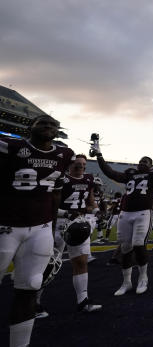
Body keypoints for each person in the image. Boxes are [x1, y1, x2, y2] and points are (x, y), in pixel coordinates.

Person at [0, 115, 75, 347]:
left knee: (31, 285)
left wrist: (51, 229)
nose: (48, 127)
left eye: (53, 124)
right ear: (29, 127)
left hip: (40, 228)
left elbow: (55, 194)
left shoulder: (64, 154)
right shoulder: (12, 146)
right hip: (5, 225)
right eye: (42, 123)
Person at [92, 140, 153, 296]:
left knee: (139, 244)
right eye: (140, 161)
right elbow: (110, 172)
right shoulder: (130, 174)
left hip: (142, 213)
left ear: (151, 165)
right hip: (125, 214)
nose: (141, 163)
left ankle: (143, 277)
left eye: (145, 161)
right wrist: (99, 155)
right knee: (126, 248)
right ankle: (126, 282)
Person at [50, 154, 102, 312]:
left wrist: (97, 211)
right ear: (69, 165)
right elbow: (50, 205)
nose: (81, 166)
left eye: (84, 164)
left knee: (81, 261)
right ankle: (35, 302)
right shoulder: (61, 179)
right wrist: (65, 214)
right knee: (49, 262)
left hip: (78, 222)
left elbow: (90, 200)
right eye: (77, 164)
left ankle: (83, 301)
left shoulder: (88, 179)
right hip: (59, 221)